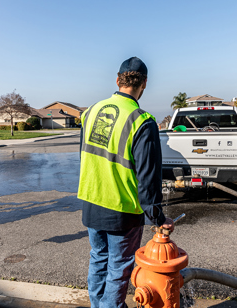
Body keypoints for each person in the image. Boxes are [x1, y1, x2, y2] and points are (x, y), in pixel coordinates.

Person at [78, 57, 174, 308]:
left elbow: (85, 156)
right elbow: (148, 177)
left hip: (91, 201)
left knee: (98, 258)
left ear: (117, 79)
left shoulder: (90, 112)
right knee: (118, 268)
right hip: (121, 209)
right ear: (144, 84)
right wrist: (158, 217)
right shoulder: (142, 121)